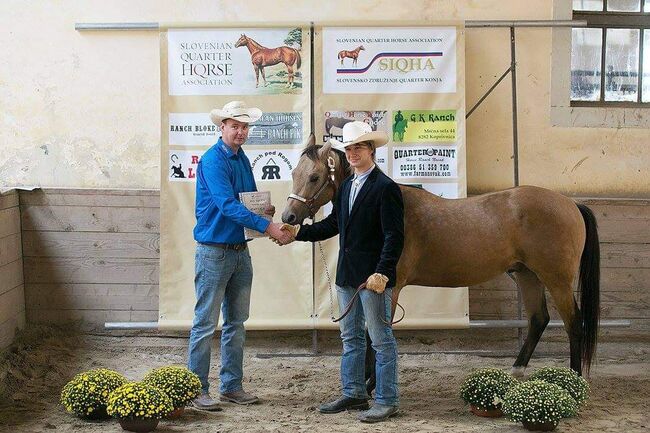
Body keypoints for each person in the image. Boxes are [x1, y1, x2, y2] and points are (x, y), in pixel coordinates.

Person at [281, 121, 404, 423]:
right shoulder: (346, 186)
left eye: (359, 147)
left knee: (381, 339)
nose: (352, 153)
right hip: (347, 275)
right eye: (349, 148)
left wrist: (383, 272)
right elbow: (334, 225)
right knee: (351, 338)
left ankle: (387, 399)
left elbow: (394, 236)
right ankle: (354, 392)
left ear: (371, 150)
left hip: (373, 278)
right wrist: (298, 233)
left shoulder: (385, 188)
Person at [188, 101, 293, 410]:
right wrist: (268, 226)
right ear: (222, 127)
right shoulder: (213, 160)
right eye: (235, 125)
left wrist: (264, 211)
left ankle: (231, 386)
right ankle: (197, 389)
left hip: (237, 250)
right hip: (214, 252)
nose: (240, 131)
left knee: (236, 321)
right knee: (205, 323)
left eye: (245, 127)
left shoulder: (241, 158)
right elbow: (226, 205)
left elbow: (244, 201)